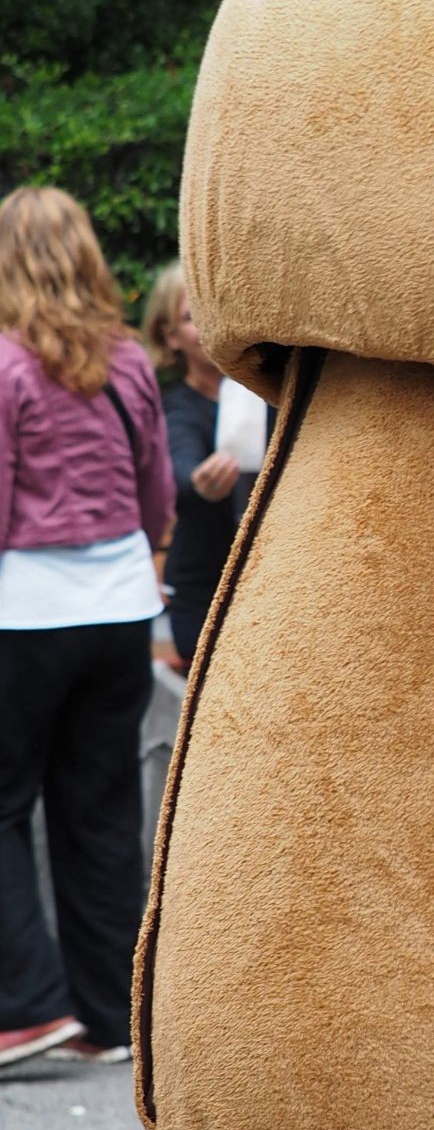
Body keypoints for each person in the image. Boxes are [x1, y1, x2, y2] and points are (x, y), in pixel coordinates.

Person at [0, 186, 173, 1069]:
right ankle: (112, 1016)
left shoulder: (4, 365)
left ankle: (27, 1005)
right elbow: (156, 497)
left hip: (25, 612)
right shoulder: (129, 361)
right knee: (100, 813)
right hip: (117, 610)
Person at [143, 262, 252, 667]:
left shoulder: (278, 396)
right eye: (192, 318)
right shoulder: (174, 407)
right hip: (205, 594)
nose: (209, 327)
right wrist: (200, 482)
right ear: (170, 336)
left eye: (216, 311)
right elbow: (181, 465)